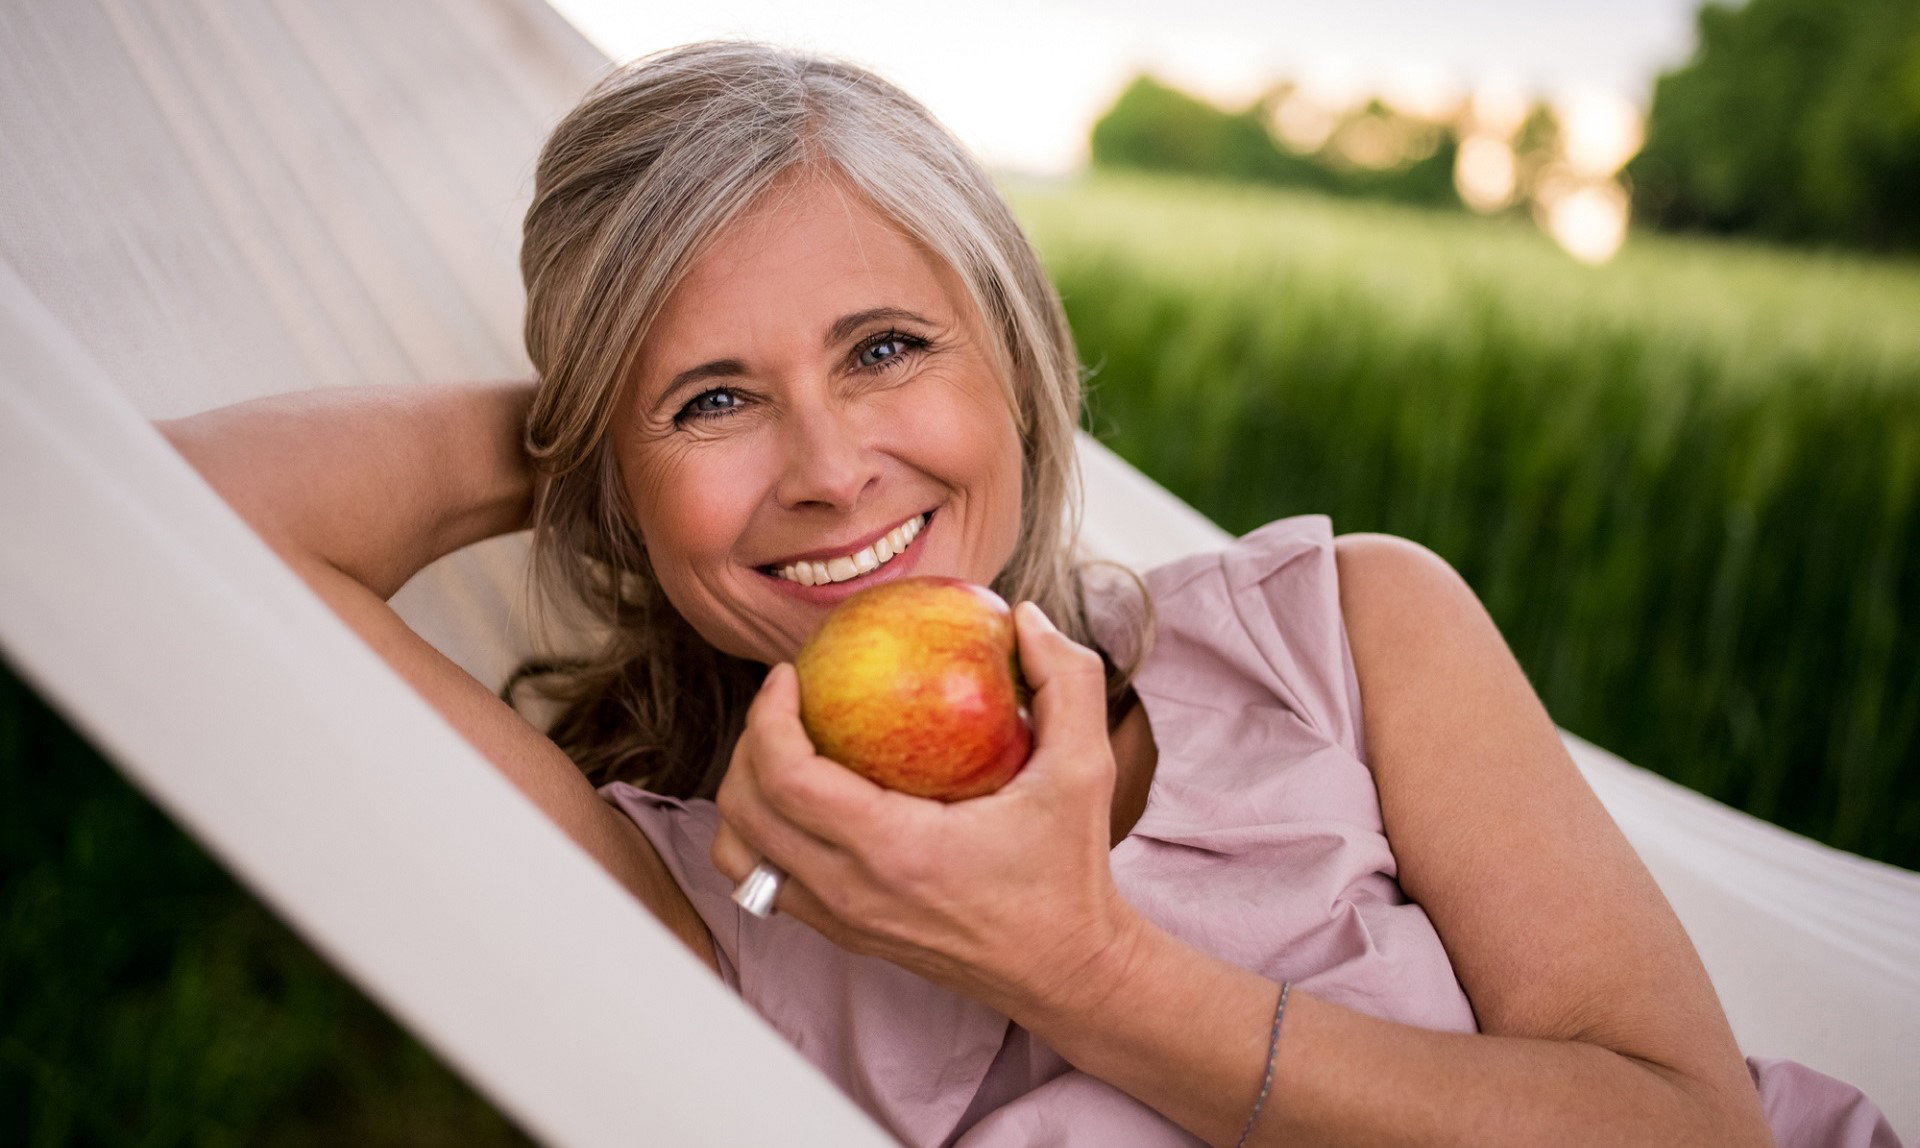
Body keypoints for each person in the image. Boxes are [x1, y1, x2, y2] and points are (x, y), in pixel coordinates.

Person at [159, 40, 1898, 1148]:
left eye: (889, 348)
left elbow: (1685, 1136)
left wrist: (1080, 969)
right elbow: (168, 518)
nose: (830, 468)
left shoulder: (1342, 639)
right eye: (719, 398)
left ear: (1021, 361)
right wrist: (599, 441)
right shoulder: (692, 902)